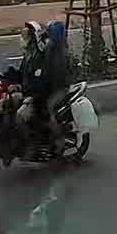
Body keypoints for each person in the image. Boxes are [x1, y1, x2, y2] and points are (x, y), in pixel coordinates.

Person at [16, 21, 70, 153]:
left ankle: (59, 140)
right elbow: (27, 74)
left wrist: (36, 94)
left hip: (58, 89)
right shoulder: (39, 51)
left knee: (48, 110)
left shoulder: (58, 53)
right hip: (44, 89)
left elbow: (51, 77)